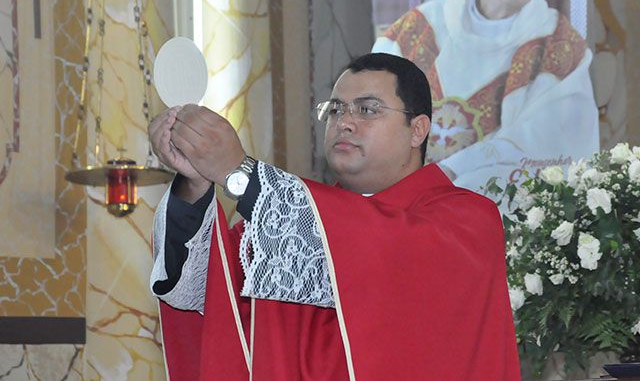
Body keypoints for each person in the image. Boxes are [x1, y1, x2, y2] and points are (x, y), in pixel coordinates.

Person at [149, 53, 521, 380]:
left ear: (417, 130)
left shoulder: (466, 219)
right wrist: (195, 182)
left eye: (367, 109)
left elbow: (379, 252)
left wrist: (239, 174)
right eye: (336, 109)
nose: (345, 122)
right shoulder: (278, 227)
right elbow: (201, 291)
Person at [372, 0, 599, 192]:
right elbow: (372, 132)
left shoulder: (559, 47)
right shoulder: (413, 34)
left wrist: (451, 172)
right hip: (410, 211)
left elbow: (553, 147)